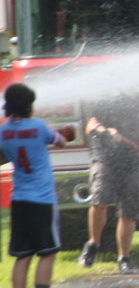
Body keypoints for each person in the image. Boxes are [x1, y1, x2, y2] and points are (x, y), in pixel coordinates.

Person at [77, 94, 139, 274]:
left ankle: (124, 258)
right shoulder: (110, 98)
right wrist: (105, 131)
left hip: (130, 161)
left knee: (129, 210)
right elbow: (91, 124)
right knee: (100, 200)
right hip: (105, 158)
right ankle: (92, 244)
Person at [0, 84, 68, 288]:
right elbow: (61, 141)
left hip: (19, 199)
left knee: (23, 255)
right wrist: (61, 133)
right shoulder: (38, 126)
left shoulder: (3, 130)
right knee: (48, 253)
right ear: (28, 105)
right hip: (43, 199)